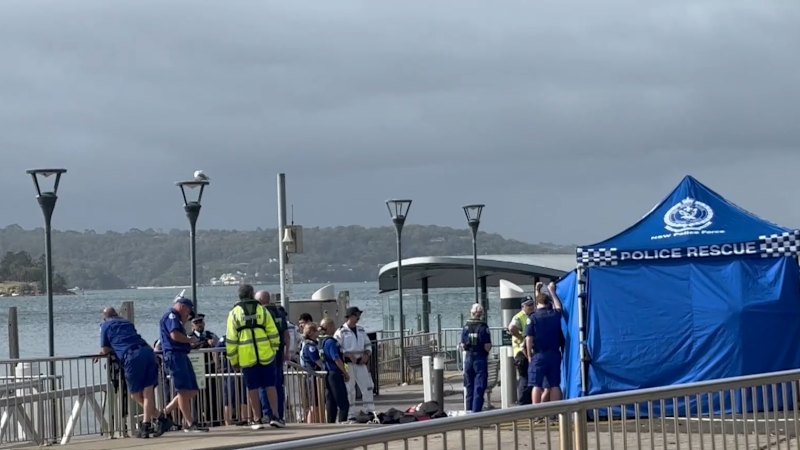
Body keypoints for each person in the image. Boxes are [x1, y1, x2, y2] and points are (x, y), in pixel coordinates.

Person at [98, 307, 162, 438]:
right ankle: (147, 424)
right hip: (148, 352)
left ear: (105, 317)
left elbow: (105, 349)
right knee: (148, 391)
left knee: (135, 395)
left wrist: (101, 353)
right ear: (117, 314)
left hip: (132, 356)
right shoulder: (127, 322)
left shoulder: (106, 325)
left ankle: (159, 418)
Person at [226, 284, 283, 430]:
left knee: (252, 388)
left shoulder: (234, 313)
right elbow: (273, 332)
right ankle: (275, 416)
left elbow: (231, 340)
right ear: (252, 294)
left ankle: (257, 419)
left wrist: (234, 360)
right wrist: (274, 349)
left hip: (246, 357)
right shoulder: (262, 310)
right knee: (270, 386)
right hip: (266, 355)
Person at [158, 294, 207, 433]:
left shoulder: (178, 319)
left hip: (182, 355)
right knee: (183, 390)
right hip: (175, 356)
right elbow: (175, 336)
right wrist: (189, 340)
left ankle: (164, 412)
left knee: (192, 389)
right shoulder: (171, 317)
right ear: (182, 306)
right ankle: (190, 423)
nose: (188, 315)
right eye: (188, 311)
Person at [526, 282, 564, 405]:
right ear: (549, 303)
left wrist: (529, 354)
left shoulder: (533, 318)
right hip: (554, 354)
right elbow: (558, 307)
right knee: (554, 385)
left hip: (539, 354)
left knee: (536, 385)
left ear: (537, 304)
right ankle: (557, 413)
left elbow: (529, 338)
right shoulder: (554, 315)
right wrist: (551, 291)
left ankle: (537, 413)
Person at [255, 290, 290, 426]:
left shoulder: (261, 313)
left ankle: (268, 414)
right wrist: (287, 352)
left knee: (264, 385)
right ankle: (279, 415)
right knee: (278, 385)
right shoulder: (279, 313)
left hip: (265, 353)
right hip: (279, 352)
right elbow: (286, 334)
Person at [334, 306, 374, 420]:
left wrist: (367, 354)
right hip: (348, 364)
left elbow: (368, 344)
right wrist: (347, 355)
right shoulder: (341, 331)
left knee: (367, 386)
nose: (358, 318)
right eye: (356, 315)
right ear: (350, 316)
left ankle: (370, 410)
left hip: (361, 362)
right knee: (349, 389)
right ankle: (350, 414)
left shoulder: (361, 330)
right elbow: (337, 347)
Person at [461, 303, 491, 413]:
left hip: (468, 356)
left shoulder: (466, 326)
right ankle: (476, 411)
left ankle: (468, 410)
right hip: (480, 357)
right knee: (479, 385)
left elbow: (463, 345)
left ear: (471, 313)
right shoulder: (483, 327)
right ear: (481, 313)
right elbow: (487, 346)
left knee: (469, 384)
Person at [319, 317, 350, 423]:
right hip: (335, 374)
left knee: (331, 402)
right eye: (333, 325)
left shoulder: (322, 342)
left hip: (328, 374)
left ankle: (331, 423)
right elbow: (336, 358)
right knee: (343, 403)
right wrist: (345, 373)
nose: (335, 327)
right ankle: (342, 423)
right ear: (329, 327)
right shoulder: (331, 342)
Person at [508, 296, 536, 405]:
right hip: (521, 352)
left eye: (532, 304)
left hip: (530, 351)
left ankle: (528, 401)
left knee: (530, 377)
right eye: (528, 305)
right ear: (522, 306)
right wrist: (521, 337)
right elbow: (511, 328)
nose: (531, 307)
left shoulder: (533, 315)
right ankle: (522, 403)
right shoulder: (519, 317)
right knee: (524, 377)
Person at [299, 322, 323, 423]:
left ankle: (316, 421)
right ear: (312, 332)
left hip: (311, 376)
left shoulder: (307, 343)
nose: (318, 333)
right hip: (311, 376)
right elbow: (316, 360)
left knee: (316, 403)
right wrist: (325, 367)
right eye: (316, 331)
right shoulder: (310, 346)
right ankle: (312, 423)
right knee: (314, 403)